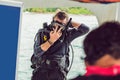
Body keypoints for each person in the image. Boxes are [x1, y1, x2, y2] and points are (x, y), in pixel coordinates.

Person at [31, 10, 89, 80]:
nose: (58, 27)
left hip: (57, 73)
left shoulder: (67, 35)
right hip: (41, 70)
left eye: (61, 25)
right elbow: (37, 53)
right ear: (52, 21)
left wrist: (70, 23)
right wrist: (51, 40)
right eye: (56, 23)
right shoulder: (43, 33)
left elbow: (85, 29)